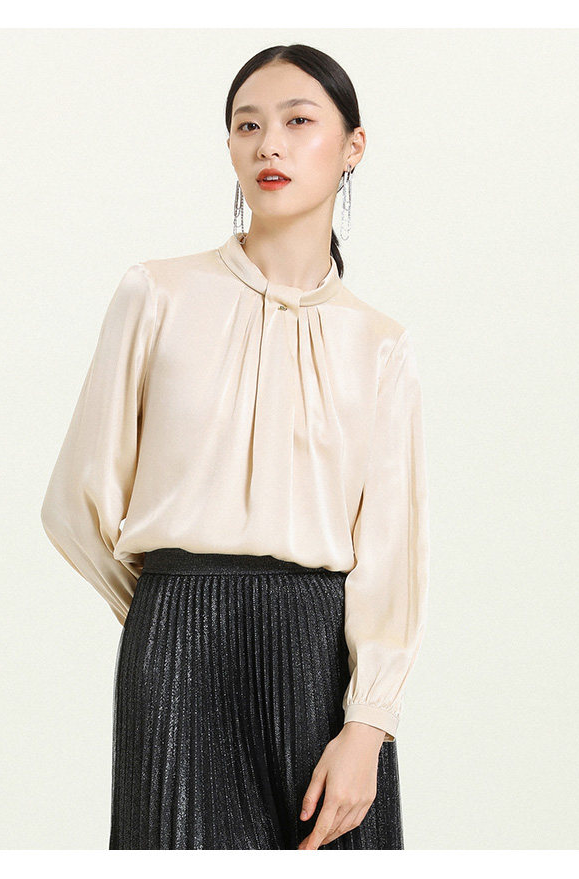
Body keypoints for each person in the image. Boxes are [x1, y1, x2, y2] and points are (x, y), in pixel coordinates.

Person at [40, 43, 430, 851]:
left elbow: (391, 553)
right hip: (176, 647)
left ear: (353, 146)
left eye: (298, 121)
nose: (269, 145)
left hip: (319, 659)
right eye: (248, 126)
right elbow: (76, 500)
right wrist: (166, 611)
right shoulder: (157, 293)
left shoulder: (379, 343)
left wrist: (370, 721)